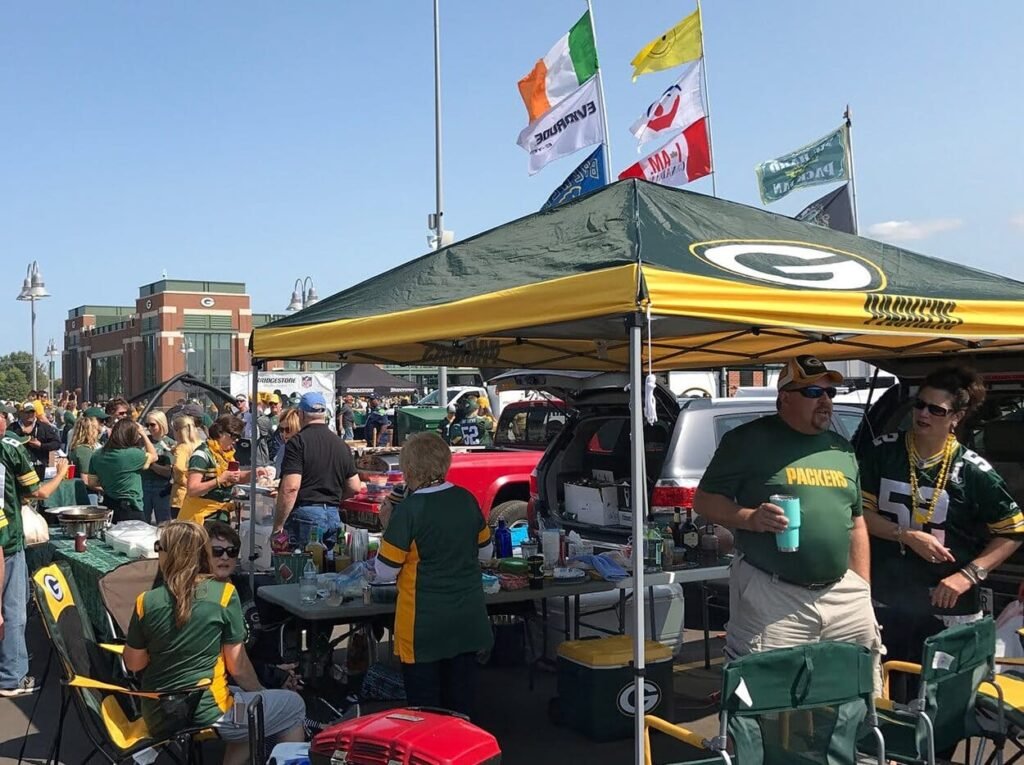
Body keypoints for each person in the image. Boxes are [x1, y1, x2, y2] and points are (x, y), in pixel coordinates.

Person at [693, 355, 882, 691]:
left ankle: (848, 745)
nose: (825, 400)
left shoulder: (841, 449)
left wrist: (863, 588)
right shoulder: (747, 440)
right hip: (773, 592)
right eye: (813, 392)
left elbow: (856, 523)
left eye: (830, 393)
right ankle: (752, 745)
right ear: (785, 397)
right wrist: (750, 518)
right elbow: (705, 502)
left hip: (843, 593)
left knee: (857, 686)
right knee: (761, 693)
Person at [860, 365, 1023, 693]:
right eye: (920, 404)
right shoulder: (882, 451)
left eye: (936, 409)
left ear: (956, 417)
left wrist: (967, 577)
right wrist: (905, 535)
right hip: (888, 597)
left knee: (940, 702)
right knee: (889, 695)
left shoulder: (974, 471)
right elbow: (859, 514)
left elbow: (1013, 530)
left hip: (950, 606)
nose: (923, 414)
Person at [123, 522, 305, 764]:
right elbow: (238, 667)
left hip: (159, 713)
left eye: (159, 547)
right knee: (292, 706)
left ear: (169, 553)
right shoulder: (223, 595)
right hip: (207, 711)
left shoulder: (145, 601)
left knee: (245, 703)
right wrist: (263, 693)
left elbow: (133, 664)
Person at [373, 433, 493, 717]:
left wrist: (388, 525)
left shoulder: (410, 511)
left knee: (425, 711)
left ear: (410, 469)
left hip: (423, 624)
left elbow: (384, 570)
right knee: (462, 704)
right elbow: (486, 554)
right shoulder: (466, 499)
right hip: (466, 618)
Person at [0, 415, 68, 696]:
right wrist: (62, 473)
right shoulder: (10, 447)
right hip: (7, 537)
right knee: (12, 606)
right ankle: (12, 676)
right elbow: (38, 491)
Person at [204, 521, 302, 692]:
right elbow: (229, 661)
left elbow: (258, 639)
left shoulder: (241, 585)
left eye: (232, 551)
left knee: (292, 696)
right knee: (292, 705)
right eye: (217, 551)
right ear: (203, 556)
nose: (225, 557)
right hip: (220, 682)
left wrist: (278, 668)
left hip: (251, 671)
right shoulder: (203, 596)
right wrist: (271, 675)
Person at [272, 392, 359, 551]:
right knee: (329, 569)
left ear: (301, 414)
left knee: (304, 570)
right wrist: (332, 498)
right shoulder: (341, 444)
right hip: (333, 515)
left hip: (306, 515)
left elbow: (290, 488)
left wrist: (278, 526)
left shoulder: (297, 443)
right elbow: (354, 486)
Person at [180, 415, 256, 525]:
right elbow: (192, 490)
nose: (236, 441)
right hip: (199, 517)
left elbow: (236, 476)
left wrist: (255, 473)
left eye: (238, 437)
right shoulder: (201, 455)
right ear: (220, 433)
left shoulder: (227, 454)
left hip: (219, 514)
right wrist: (219, 480)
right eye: (234, 436)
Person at [87, 419, 158, 523]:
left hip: (108, 504)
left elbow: (92, 482)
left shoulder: (97, 455)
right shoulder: (133, 454)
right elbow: (154, 456)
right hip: (130, 507)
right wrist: (143, 433)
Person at [10, 402, 62, 480]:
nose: (30, 414)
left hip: (39, 468)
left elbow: (57, 443)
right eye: (27, 412)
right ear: (21, 413)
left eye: (32, 412)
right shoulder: (13, 428)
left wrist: (41, 445)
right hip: (18, 470)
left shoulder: (43, 427)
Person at [141, 411, 175, 525]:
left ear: (161, 424)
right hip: (143, 484)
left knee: (164, 523)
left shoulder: (170, 444)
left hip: (162, 487)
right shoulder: (143, 441)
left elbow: (167, 472)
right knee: (142, 523)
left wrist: (151, 464)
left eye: (152, 424)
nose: (149, 428)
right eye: (147, 425)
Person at [170, 415, 204, 519]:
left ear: (178, 431)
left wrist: (183, 481)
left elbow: (178, 467)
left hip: (181, 495)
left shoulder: (182, 448)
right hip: (199, 494)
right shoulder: (202, 444)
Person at [271, 409, 302, 479]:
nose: (284, 434)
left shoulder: (305, 450)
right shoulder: (282, 449)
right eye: (281, 429)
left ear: (297, 429)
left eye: (288, 429)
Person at [256, 394, 283, 467]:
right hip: (269, 454)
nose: (273, 405)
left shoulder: (286, 417)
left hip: (283, 451)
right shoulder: (263, 420)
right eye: (271, 403)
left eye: (275, 403)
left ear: (280, 404)